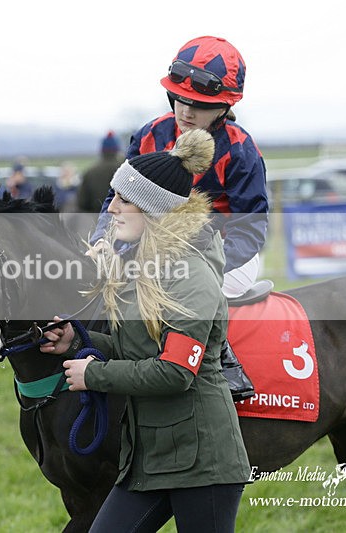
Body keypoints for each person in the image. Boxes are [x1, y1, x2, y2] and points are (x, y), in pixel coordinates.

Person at [42, 130, 250, 532]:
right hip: (148, 459)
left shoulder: (191, 273)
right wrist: (78, 340)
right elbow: (137, 348)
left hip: (203, 463)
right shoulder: (140, 267)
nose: (112, 208)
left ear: (154, 209)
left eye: (124, 199)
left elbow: (175, 371)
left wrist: (94, 375)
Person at [91, 35, 265, 401]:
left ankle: (223, 362)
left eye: (199, 104)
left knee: (199, 287)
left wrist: (205, 266)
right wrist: (101, 240)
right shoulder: (149, 134)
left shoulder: (240, 148)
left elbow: (252, 227)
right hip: (150, 247)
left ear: (224, 106)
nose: (186, 111)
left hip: (224, 251)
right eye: (180, 99)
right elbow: (116, 195)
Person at [77, 131, 122, 213]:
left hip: (96, 217)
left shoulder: (90, 172)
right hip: (121, 217)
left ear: (102, 150)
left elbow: (82, 203)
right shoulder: (124, 170)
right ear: (117, 149)